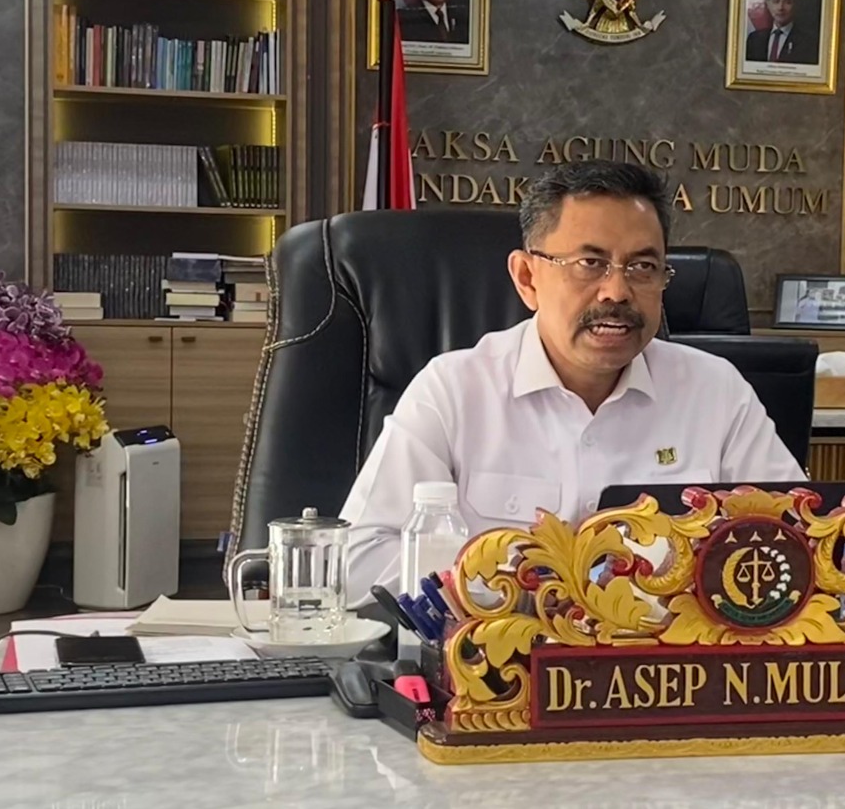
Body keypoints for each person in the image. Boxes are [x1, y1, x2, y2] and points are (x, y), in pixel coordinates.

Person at [336, 161, 805, 605]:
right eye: (590, 263)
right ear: (527, 278)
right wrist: (528, 590)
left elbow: (798, 540)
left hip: (667, 660)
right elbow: (359, 562)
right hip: (502, 655)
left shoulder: (715, 392)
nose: (617, 292)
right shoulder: (454, 391)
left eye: (643, 267)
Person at [745, 0, 819, 65]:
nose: (780, 8)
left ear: (795, 5)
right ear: (768, 4)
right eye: (776, 1)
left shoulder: (808, 42)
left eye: (787, 2)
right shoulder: (754, 39)